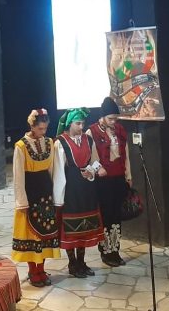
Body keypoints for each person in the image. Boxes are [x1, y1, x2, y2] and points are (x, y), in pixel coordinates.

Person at [53, 108, 106, 278]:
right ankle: (72, 263)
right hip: (70, 190)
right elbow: (58, 171)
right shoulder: (60, 143)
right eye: (78, 123)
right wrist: (58, 197)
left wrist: (92, 171)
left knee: (84, 227)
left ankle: (82, 262)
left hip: (87, 189)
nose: (81, 127)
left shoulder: (88, 139)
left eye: (83, 123)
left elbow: (96, 160)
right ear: (70, 124)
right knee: (71, 228)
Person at [12, 108, 61, 287]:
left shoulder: (49, 143)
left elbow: (52, 169)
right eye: (40, 128)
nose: (43, 132)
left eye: (45, 128)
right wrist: (21, 202)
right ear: (32, 126)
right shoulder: (21, 146)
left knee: (45, 233)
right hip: (30, 193)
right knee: (31, 235)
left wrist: (56, 195)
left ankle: (41, 269)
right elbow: (18, 176)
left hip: (45, 194)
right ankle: (33, 270)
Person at [88, 96, 132, 267]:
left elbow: (126, 154)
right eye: (111, 118)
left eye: (115, 118)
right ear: (103, 116)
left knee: (116, 216)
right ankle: (106, 252)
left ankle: (115, 250)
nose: (114, 122)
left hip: (118, 178)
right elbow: (90, 156)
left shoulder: (120, 130)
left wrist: (128, 175)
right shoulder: (92, 131)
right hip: (103, 181)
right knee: (106, 217)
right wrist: (99, 168)